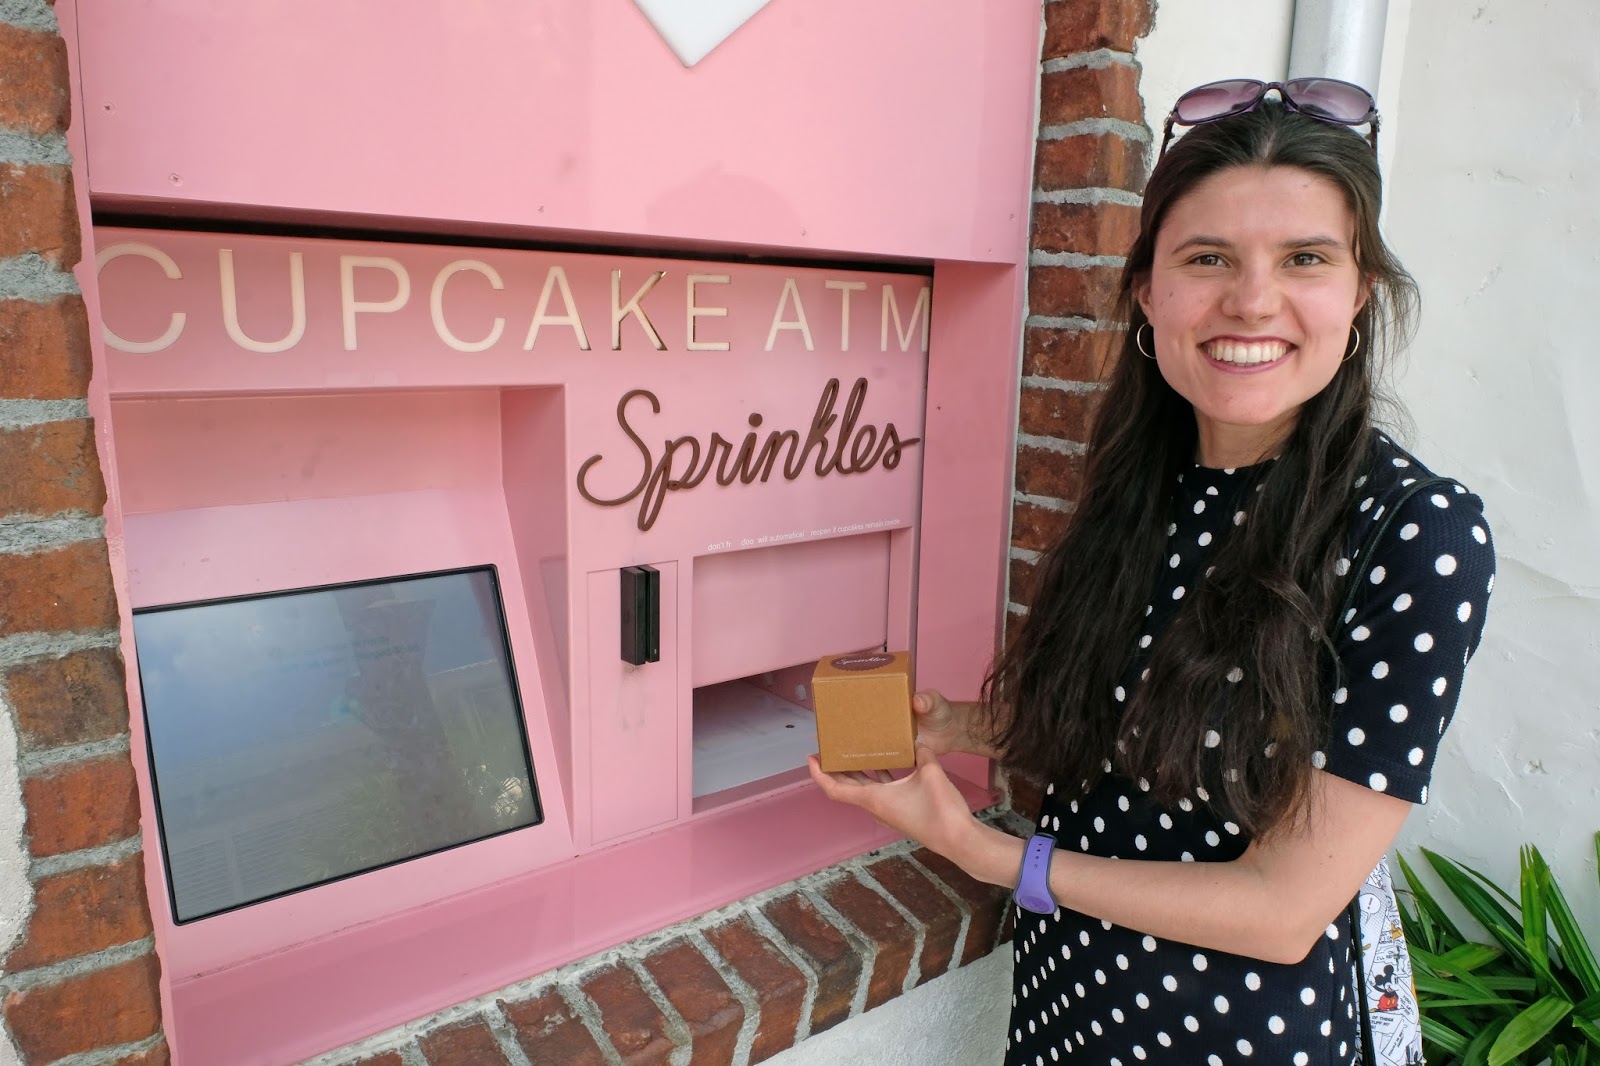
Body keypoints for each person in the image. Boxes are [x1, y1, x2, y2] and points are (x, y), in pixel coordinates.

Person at [808, 79, 1495, 1066]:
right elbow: (1147, 735)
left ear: (1360, 293)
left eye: (1302, 258)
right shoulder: (1142, 486)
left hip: (1232, 1036)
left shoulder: (1412, 532)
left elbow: (1280, 909)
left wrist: (985, 853)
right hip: (1067, 1003)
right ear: (1146, 291)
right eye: (1206, 257)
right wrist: (959, 724)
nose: (1251, 299)